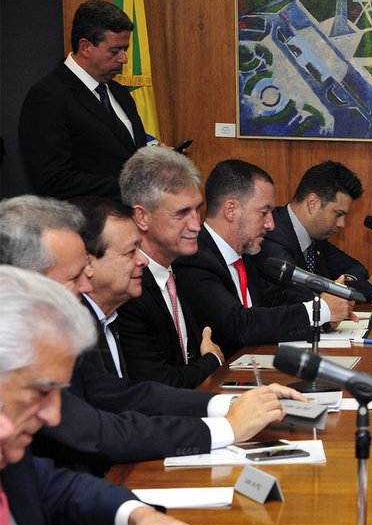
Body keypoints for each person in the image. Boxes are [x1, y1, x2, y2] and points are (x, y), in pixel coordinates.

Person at [0, 195, 305, 473]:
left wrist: (233, 405)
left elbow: (124, 394)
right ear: (24, 280)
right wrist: (228, 428)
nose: (85, 285)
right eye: (74, 276)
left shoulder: (73, 325)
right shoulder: (32, 345)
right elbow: (96, 432)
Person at [0, 267, 233, 525]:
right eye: (41, 392)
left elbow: (58, 488)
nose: (54, 416)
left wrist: (138, 515)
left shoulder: (12, 455)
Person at [174, 159, 357, 353]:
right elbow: (240, 325)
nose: (271, 224)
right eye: (264, 213)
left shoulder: (244, 256)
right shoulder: (194, 259)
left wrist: (324, 312)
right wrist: (321, 311)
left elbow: (273, 298)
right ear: (231, 210)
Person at [18, 0, 147, 201]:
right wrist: (131, 187)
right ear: (85, 47)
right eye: (115, 51)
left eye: (125, 49)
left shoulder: (119, 92)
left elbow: (127, 154)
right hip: (86, 219)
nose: (124, 59)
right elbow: (53, 181)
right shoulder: (47, 96)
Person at [116, 147, 225, 388]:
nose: (196, 225)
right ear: (142, 217)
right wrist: (212, 360)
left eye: (198, 209)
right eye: (182, 213)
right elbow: (159, 384)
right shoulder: (127, 289)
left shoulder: (183, 270)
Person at [256, 160, 372, 300]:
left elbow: (356, 268)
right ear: (313, 203)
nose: (342, 224)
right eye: (338, 214)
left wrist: (343, 284)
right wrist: (370, 286)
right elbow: (304, 295)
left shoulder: (315, 238)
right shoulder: (270, 234)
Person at [73, 198, 148, 379]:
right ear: (88, 263)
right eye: (131, 252)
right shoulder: (75, 331)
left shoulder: (109, 318)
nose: (144, 261)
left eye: (140, 249)